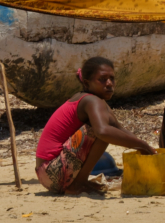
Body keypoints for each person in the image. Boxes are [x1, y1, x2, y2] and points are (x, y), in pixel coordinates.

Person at [35, 57, 157, 195]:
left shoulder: (96, 101)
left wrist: (145, 147)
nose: (109, 83)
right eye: (103, 79)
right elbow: (103, 132)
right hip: (52, 171)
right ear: (87, 83)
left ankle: (79, 182)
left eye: (112, 78)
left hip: (47, 172)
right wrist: (142, 146)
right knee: (101, 131)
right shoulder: (91, 100)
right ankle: (77, 184)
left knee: (107, 130)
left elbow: (120, 130)